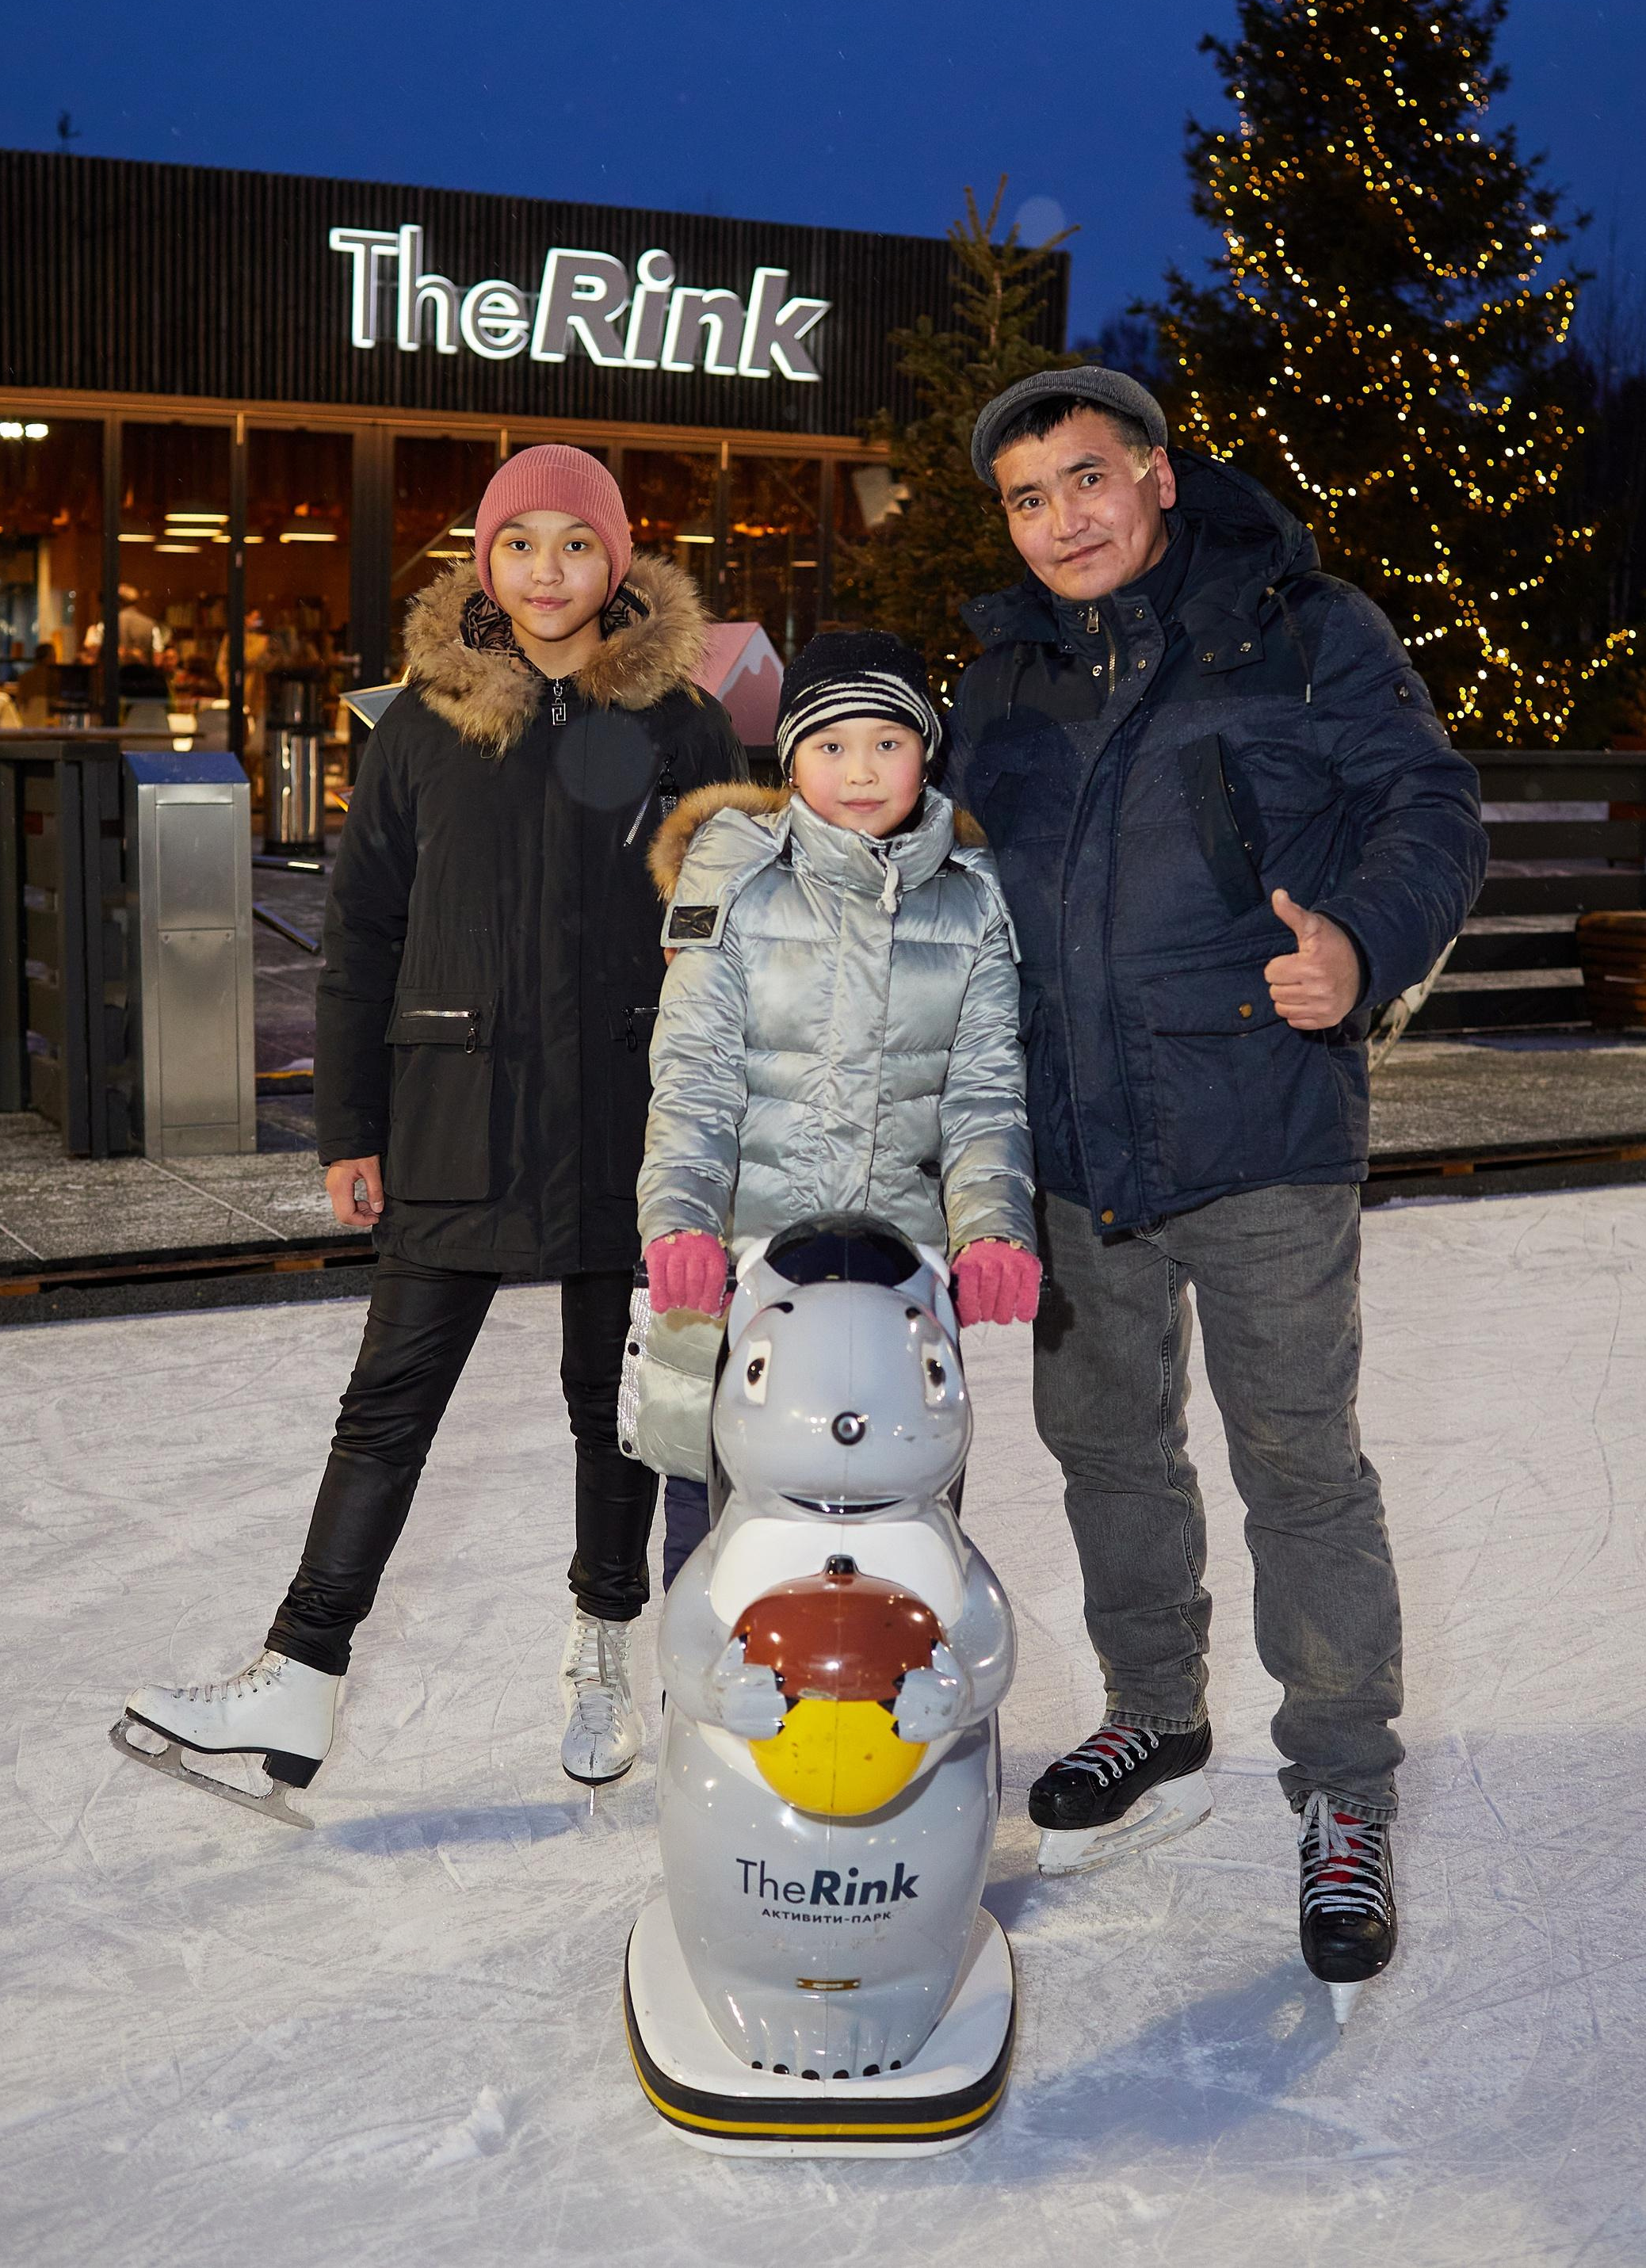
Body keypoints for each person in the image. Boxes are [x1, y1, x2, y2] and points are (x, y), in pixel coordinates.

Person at [949, 365, 1486, 2010]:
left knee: (1296, 1463)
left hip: (1258, 1110)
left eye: (1088, 479)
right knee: (1105, 1441)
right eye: (1029, 499)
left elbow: (1430, 804)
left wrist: (1364, 944)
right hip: (1073, 1135)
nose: (1063, 520)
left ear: (1160, 476)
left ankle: (1343, 1788)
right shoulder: (1004, 673)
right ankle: (1156, 1707)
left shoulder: (1299, 628)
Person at [115, 445, 746, 1816]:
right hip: (459, 1104)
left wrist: (726, 1117)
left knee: (613, 1406)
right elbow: (362, 933)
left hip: (630, 1114)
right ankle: (301, 1666)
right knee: (388, 1399)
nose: (546, 569)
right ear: (481, 561)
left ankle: (604, 1641)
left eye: (574, 542)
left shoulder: (686, 726)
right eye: (518, 542)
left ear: (617, 559)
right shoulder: (418, 725)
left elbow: (732, 930)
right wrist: (350, 1125)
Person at [636, 628, 1041, 1452]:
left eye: (887, 742)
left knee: (898, 1489)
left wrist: (992, 1226)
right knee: (720, 1499)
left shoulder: (972, 905)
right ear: (790, 759)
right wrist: (681, 1218)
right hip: (739, 1267)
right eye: (830, 745)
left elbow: (985, 1094)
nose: (860, 772)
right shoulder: (734, 886)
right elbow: (695, 1075)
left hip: (900, 1277)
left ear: (925, 752)